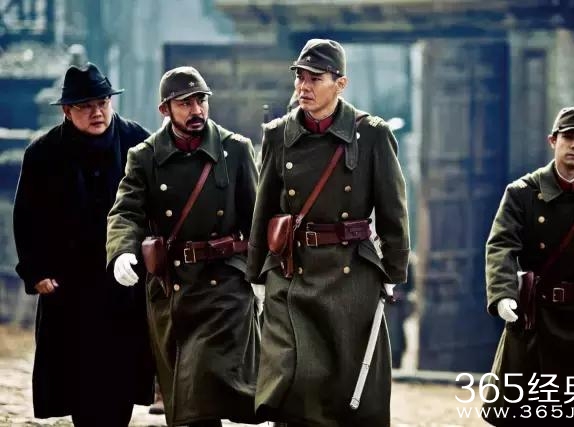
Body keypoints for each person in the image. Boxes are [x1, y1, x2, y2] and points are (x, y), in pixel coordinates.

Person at [247, 39, 410, 427]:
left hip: (352, 273)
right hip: (292, 271)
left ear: (340, 83)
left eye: (315, 78)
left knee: (347, 384)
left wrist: (393, 272)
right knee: (294, 377)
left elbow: (393, 210)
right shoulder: (277, 135)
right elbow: (263, 209)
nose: (303, 86)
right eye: (299, 77)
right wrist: (256, 274)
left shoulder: (372, 134)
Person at [106, 66, 262, 427]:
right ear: (165, 109)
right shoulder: (144, 156)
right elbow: (126, 211)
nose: (196, 110)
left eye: (201, 100)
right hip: (173, 289)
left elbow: (255, 218)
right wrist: (122, 251)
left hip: (225, 285)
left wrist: (263, 276)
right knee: (185, 402)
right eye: (185, 103)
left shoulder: (235, 150)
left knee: (202, 377)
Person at [13, 62, 154, 426]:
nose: (97, 112)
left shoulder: (138, 143)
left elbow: (158, 207)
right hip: (69, 284)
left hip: (124, 279)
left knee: (121, 379)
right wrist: (35, 271)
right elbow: (26, 217)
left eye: (102, 102)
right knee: (78, 381)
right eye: (85, 106)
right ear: (67, 110)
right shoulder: (43, 153)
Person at [484, 106, 574, 426]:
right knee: (531, 412)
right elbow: (501, 245)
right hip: (540, 318)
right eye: (568, 137)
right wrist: (503, 293)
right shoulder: (522, 193)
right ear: (553, 141)